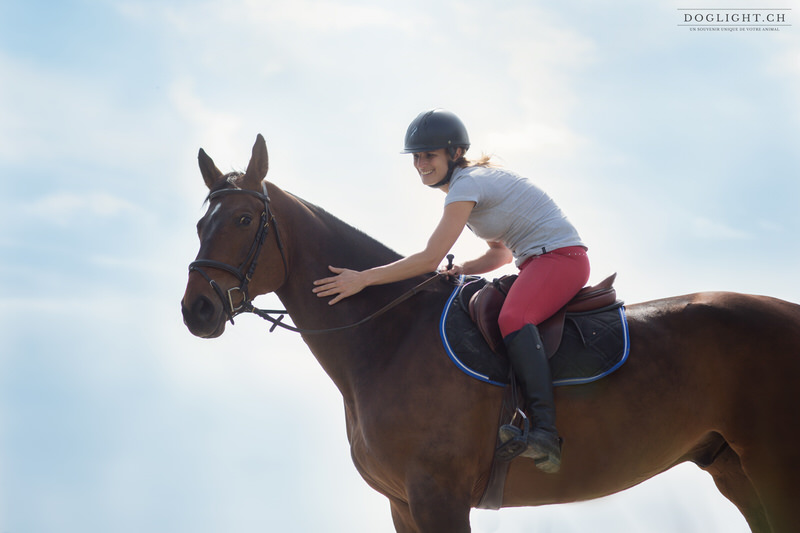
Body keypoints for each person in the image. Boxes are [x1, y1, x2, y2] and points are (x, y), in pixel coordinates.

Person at [312, 109, 589, 473]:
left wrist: (363, 279)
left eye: (429, 155)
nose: (421, 164)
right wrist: (461, 269)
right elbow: (501, 252)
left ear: (454, 154)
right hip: (537, 261)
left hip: (561, 259)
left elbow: (428, 258)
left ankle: (545, 433)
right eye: (416, 156)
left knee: (513, 317)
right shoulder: (471, 187)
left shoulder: (466, 185)